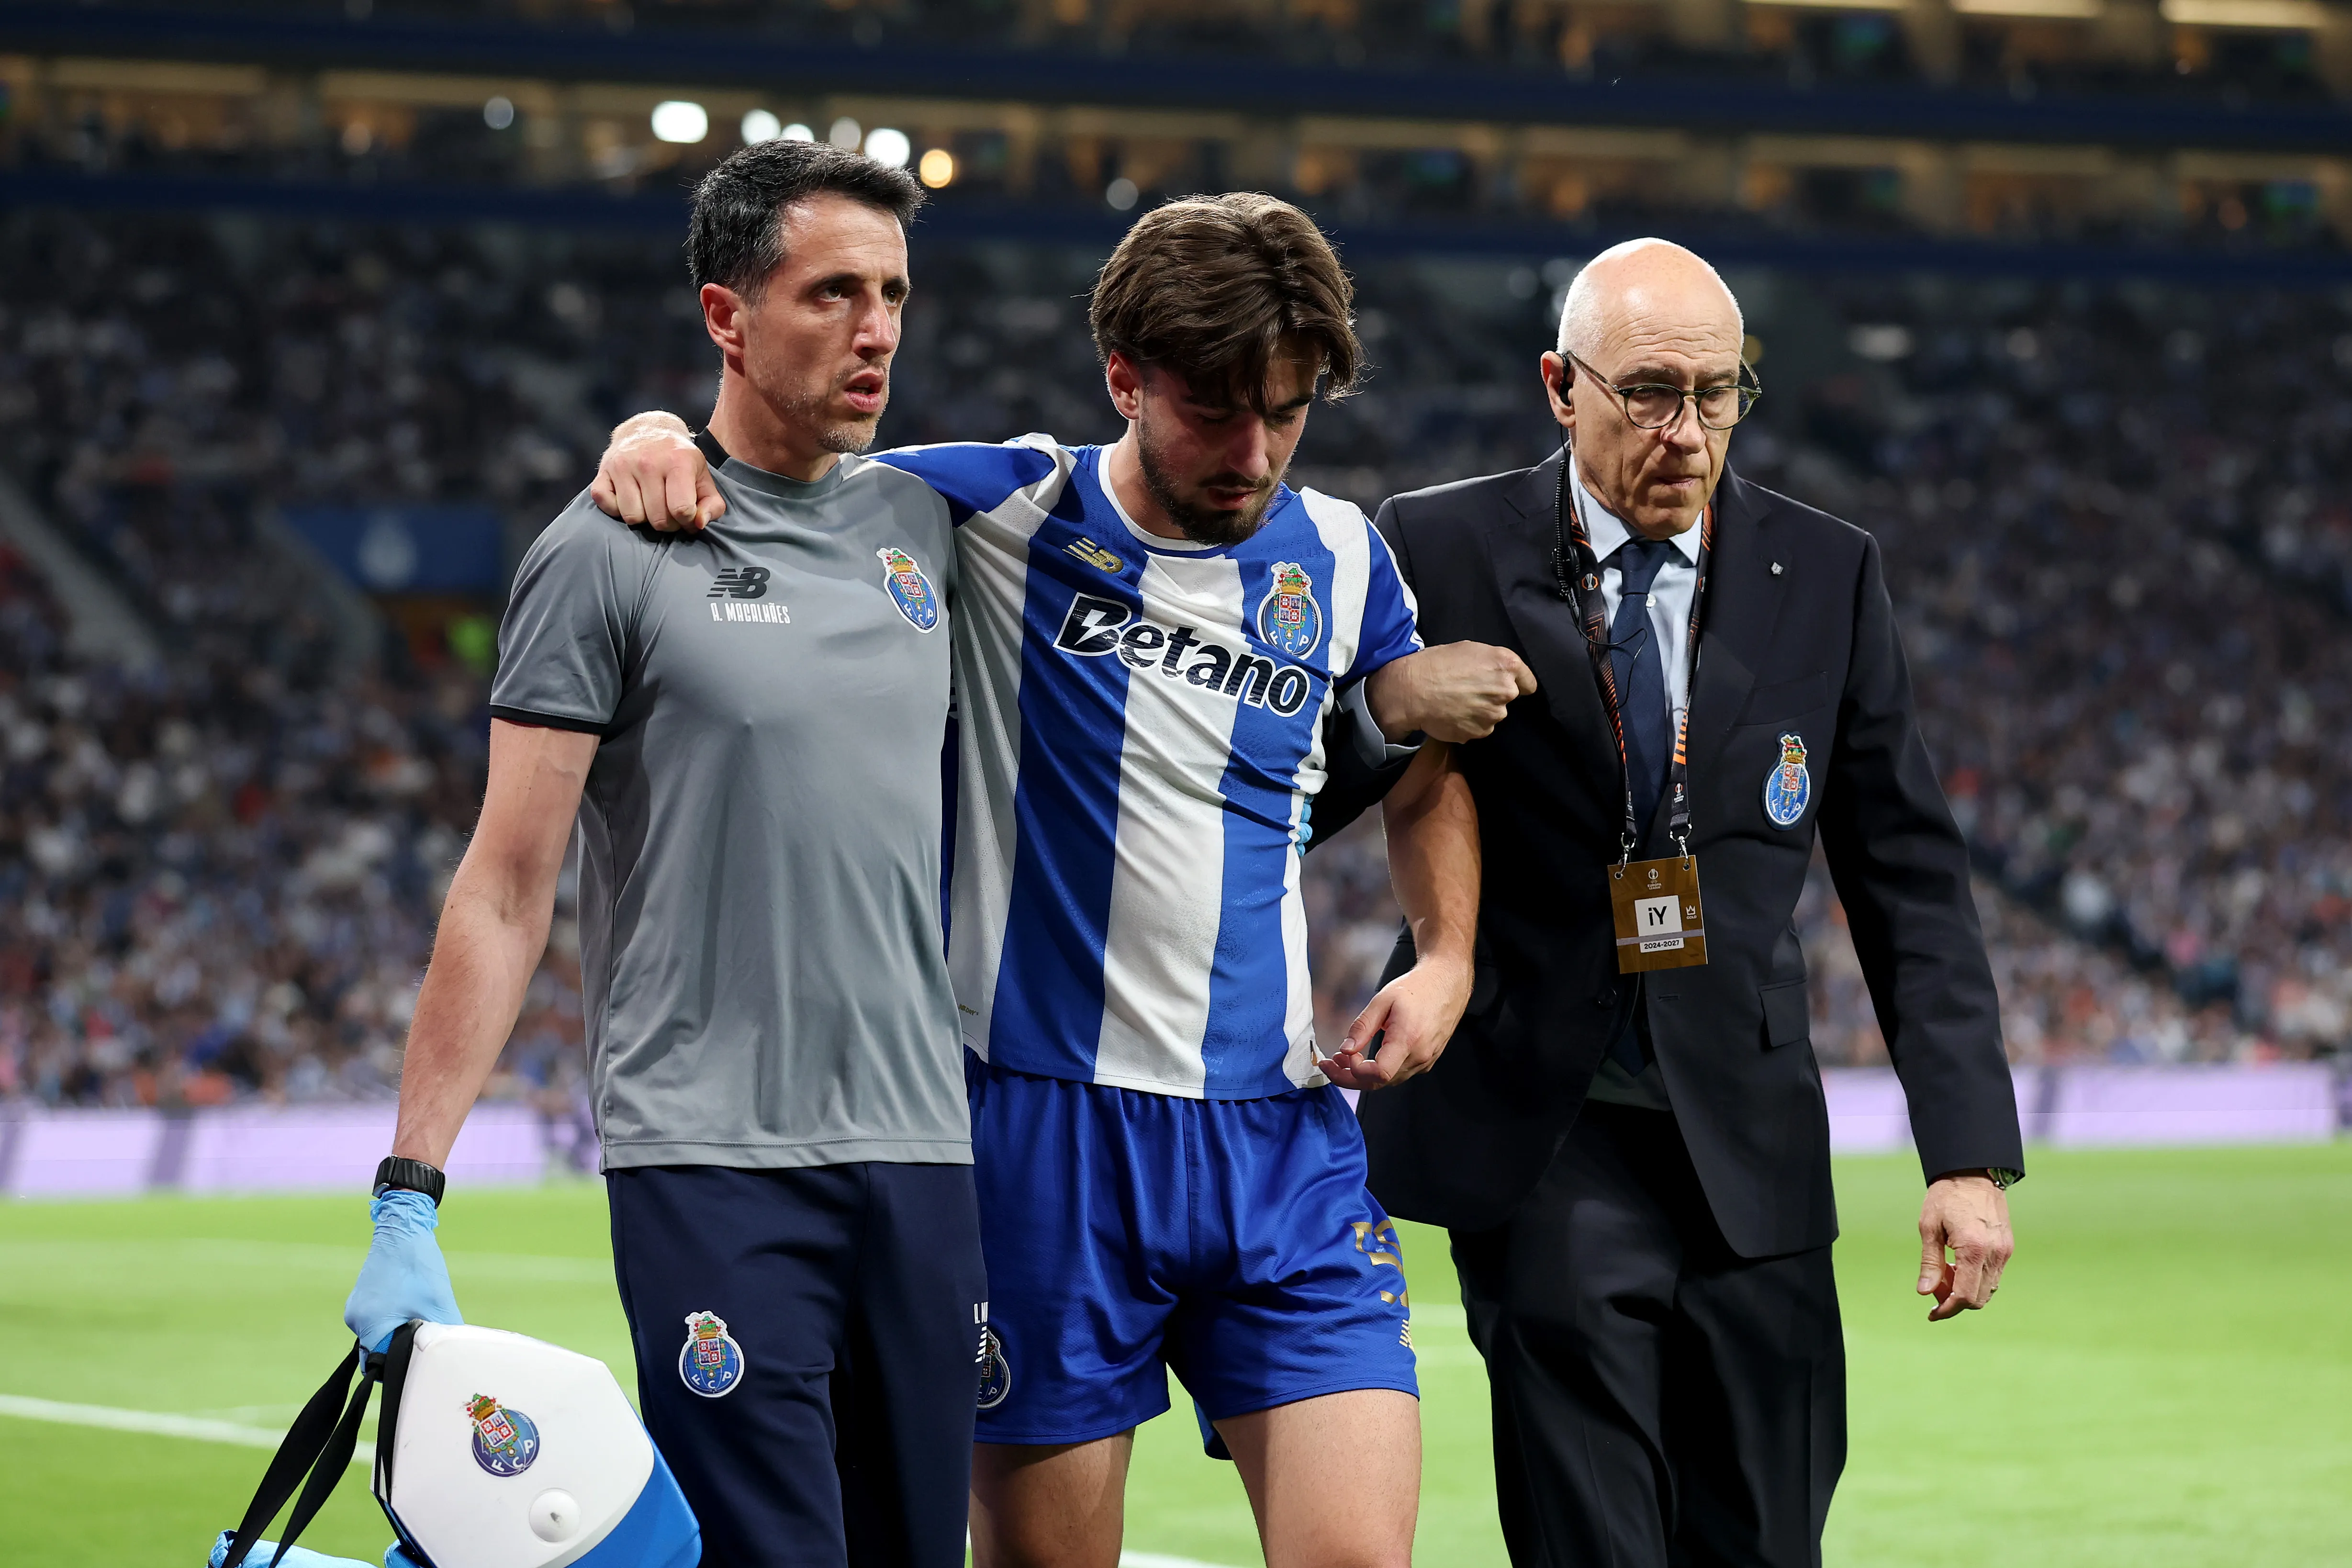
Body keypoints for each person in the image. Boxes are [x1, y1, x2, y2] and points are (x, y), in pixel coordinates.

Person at [590, 192, 1524, 1568]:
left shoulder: (1338, 554)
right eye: (1216, 412)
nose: (1254, 453)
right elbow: (785, 469)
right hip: (1042, 1141)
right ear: (1124, 379)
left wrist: (1443, 958)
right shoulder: (1001, 506)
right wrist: (654, 433)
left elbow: (1425, 769)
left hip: (1281, 1138)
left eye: (1287, 413)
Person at [1313, 237, 2026, 1568]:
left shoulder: (1826, 569)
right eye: (1647, 392)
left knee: (1767, 1535)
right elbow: (1306, 790)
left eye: (1718, 392)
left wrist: (1967, 1155)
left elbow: (1909, 878)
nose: (1686, 431)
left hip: (1750, 1147)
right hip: (1544, 1129)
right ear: (1559, 386)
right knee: (1595, 1535)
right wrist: (1388, 706)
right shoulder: (1437, 543)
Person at [342, 141, 992, 1568]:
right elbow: (507, 882)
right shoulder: (607, 551)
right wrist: (408, 1189)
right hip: (711, 1159)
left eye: (893, 293)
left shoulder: (935, 523)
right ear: (726, 316)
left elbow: (1153, 496)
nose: (877, 329)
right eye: (832, 292)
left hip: (925, 1150)